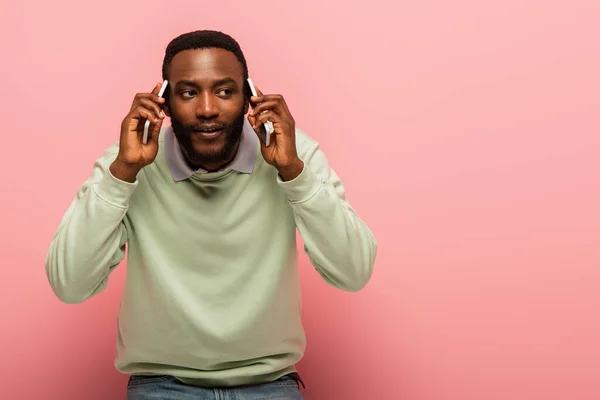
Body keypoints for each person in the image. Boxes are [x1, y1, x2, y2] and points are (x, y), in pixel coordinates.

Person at [45, 29, 377, 400]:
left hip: (270, 384)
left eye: (224, 91)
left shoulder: (293, 155)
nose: (206, 109)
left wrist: (294, 174)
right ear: (164, 103)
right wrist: (121, 174)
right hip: (162, 385)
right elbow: (69, 284)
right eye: (188, 93)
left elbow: (353, 272)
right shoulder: (128, 162)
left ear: (249, 98)